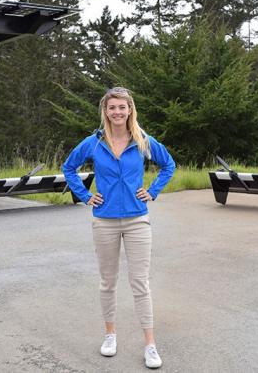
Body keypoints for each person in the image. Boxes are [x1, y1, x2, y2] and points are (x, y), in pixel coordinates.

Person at [62, 86, 175, 369]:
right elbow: (69, 167)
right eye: (112, 107)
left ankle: (150, 344)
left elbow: (168, 165)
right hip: (104, 220)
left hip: (138, 219)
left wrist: (153, 191)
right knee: (107, 282)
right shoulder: (93, 142)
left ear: (130, 110)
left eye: (122, 107)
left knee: (140, 283)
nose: (117, 112)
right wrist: (86, 195)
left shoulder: (142, 140)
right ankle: (110, 335)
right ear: (105, 111)